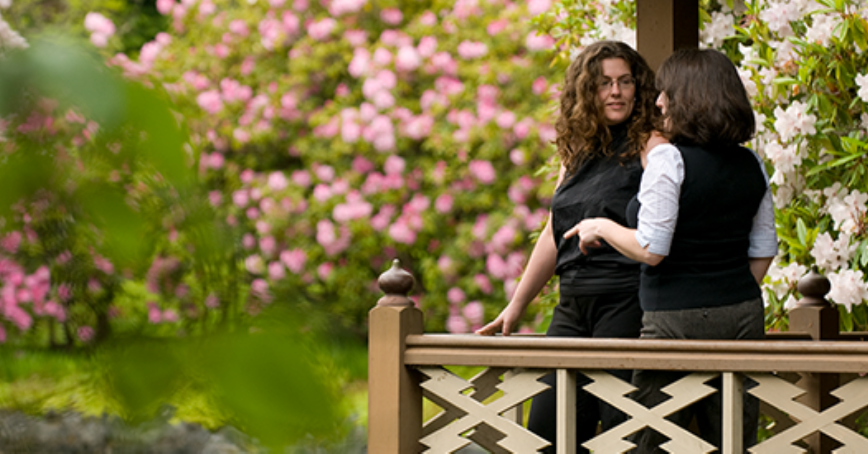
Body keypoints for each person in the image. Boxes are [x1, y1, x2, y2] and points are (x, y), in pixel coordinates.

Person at [570, 48, 778, 452]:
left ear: (692, 97)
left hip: (673, 321)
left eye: (666, 92)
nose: (659, 101)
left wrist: (601, 226)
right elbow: (764, 248)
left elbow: (652, 249)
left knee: (652, 438)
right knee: (733, 438)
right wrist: (726, 291)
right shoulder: (751, 162)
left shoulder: (668, 158)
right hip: (741, 316)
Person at [476, 40, 661, 453]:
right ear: (586, 91)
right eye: (604, 83)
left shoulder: (651, 146)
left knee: (621, 438)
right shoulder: (577, 151)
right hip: (572, 305)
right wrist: (516, 305)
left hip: (625, 301)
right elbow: (553, 233)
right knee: (546, 433)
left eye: (625, 81)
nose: (616, 91)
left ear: (638, 88)